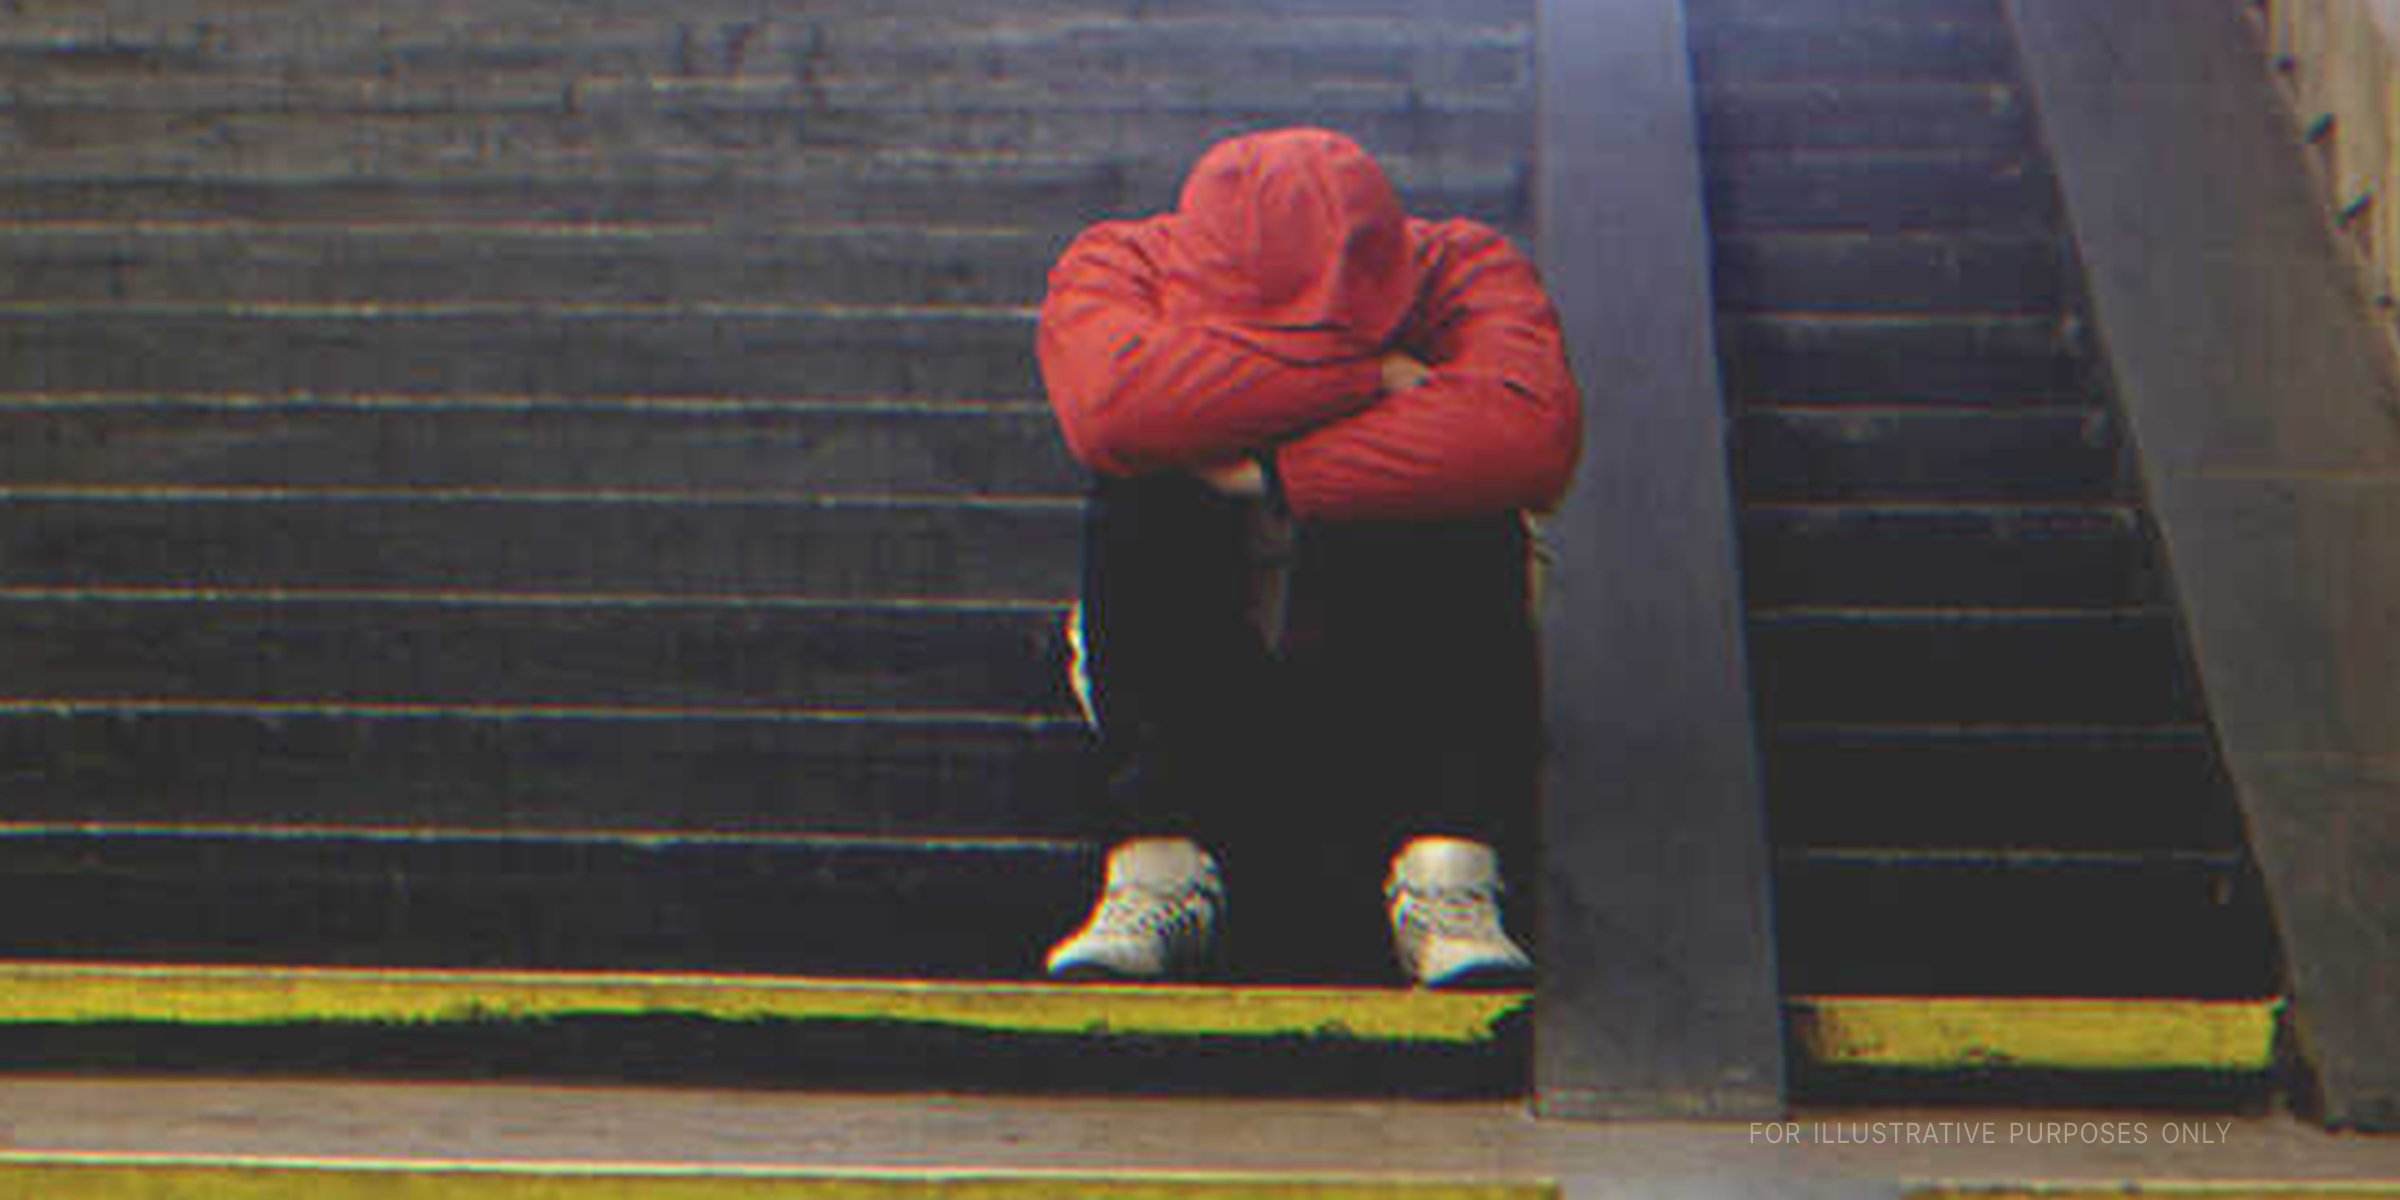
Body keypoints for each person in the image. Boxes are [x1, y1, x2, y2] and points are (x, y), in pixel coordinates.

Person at [1035, 127, 1581, 988]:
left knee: (1461, 486)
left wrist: (1274, 472)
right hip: (1187, 691)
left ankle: (1449, 878)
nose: (1304, 332)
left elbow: (1528, 438)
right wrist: (1377, 377)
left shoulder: (1467, 265)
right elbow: (1109, 412)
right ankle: (1158, 865)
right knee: (1142, 486)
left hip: (1398, 682)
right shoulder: (1120, 261)